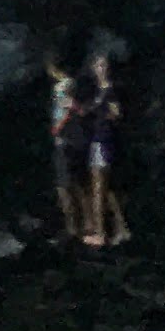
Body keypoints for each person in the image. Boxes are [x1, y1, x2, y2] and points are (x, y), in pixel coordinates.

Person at [78, 51, 130, 248]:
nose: (101, 69)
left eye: (103, 65)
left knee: (99, 188)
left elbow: (116, 114)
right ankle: (122, 229)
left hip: (103, 141)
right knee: (105, 188)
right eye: (98, 65)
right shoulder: (98, 91)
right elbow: (86, 110)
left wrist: (108, 114)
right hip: (96, 140)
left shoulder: (110, 90)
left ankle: (100, 234)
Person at [49, 54, 91, 243]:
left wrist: (59, 127)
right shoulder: (75, 84)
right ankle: (87, 223)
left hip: (64, 142)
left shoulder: (62, 86)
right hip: (76, 141)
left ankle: (72, 227)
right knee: (77, 184)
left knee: (64, 186)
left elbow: (69, 108)